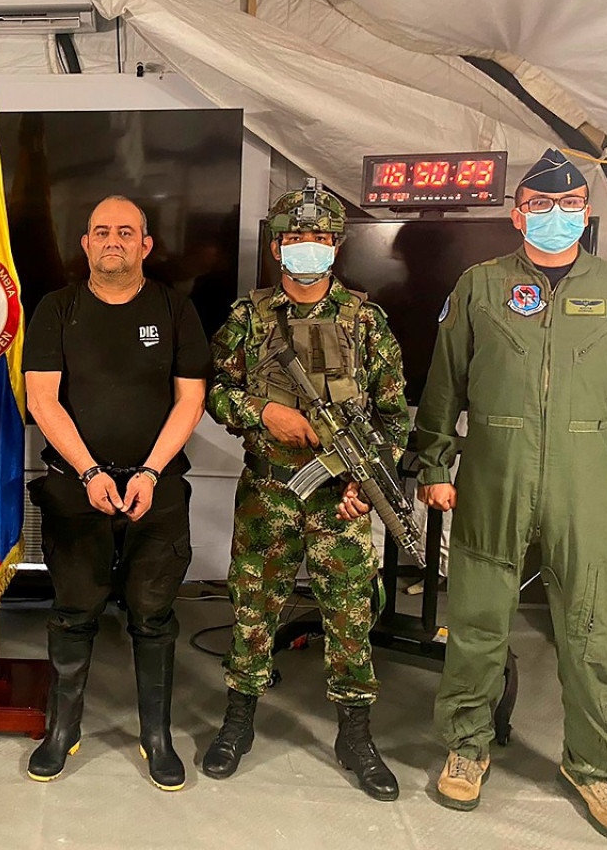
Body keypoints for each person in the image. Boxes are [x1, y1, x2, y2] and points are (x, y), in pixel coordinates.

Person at [415, 149, 607, 842]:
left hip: (583, 473)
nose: (555, 218)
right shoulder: (480, 285)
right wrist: (433, 464)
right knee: (476, 622)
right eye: (540, 206)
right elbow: (442, 386)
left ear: (587, 214)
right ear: (518, 213)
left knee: (591, 635)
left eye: (568, 208)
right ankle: (466, 748)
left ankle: (594, 766)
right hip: (492, 473)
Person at [204, 179, 407, 800]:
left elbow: (395, 416)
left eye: (318, 238)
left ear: (335, 246)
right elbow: (213, 391)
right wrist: (262, 413)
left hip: (340, 498)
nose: (306, 248)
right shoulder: (247, 318)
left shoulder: (365, 322)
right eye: (295, 238)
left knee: (348, 615)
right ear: (276, 247)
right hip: (268, 493)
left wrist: (365, 485)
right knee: (252, 607)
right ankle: (238, 720)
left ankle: (355, 734)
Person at [22, 195, 208, 791]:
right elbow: (41, 399)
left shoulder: (177, 310)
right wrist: (89, 473)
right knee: (73, 612)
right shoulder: (57, 308)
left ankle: (157, 736)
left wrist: (150, 473)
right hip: (77, 487)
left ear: (145, 246)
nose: (113, 241)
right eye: (101, 230)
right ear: (85, 243)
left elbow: (191, 401)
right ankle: (63, 729)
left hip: (157, 487)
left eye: (126, 232)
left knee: (153, 617)